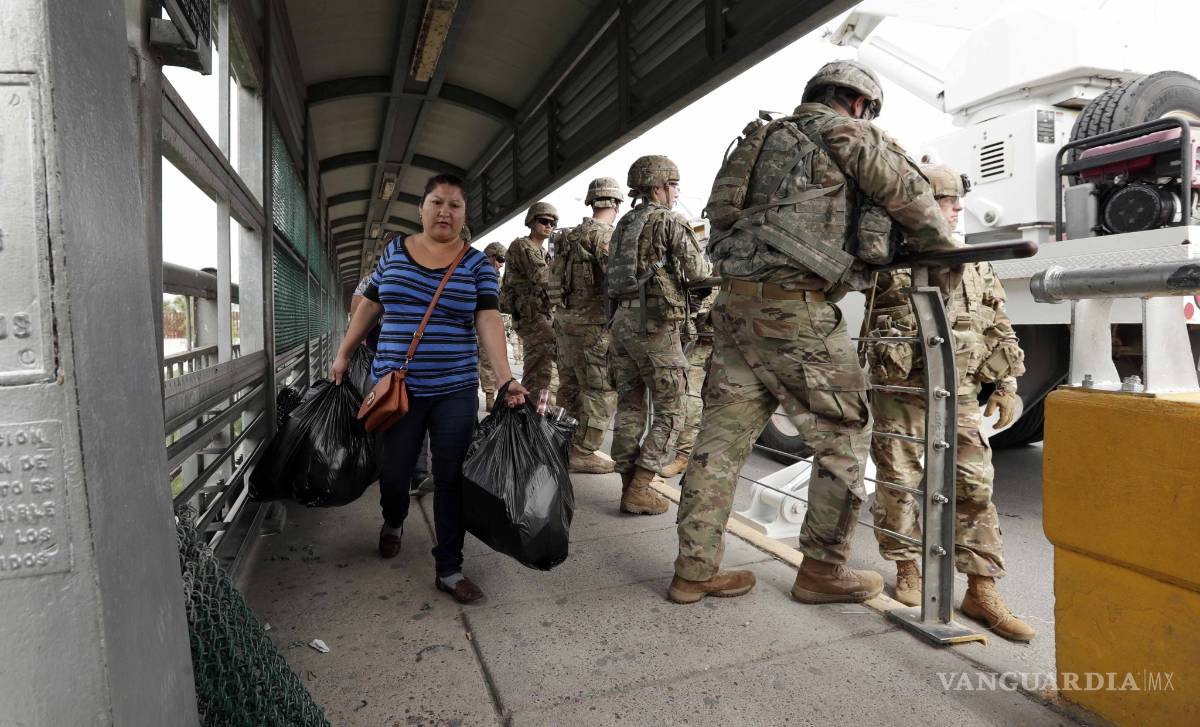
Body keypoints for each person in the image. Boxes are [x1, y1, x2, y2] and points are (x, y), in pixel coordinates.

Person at [670, 60, 959, 605]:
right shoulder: (844, 131)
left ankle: (694, 570)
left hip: (734, 307)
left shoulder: (757, 141)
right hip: (794, 309)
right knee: (845, 436)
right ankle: (822, 571)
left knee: (719, 445)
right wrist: (945, 258)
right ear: (857, 102)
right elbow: (908, 194)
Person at [330, 173, 528, 605]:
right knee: (396, 472)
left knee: (450, 478)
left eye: (455, 205)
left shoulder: (476, 265)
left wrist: (505, 376)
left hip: (454, 387)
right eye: (437, 202)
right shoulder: (395, 253)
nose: (445, 211)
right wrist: (344, 353)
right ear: (421, 209)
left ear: (464, 214)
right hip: (395, 386)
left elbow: (489, 321)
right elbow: (369, 306)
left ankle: (449, 568)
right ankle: (393, 519)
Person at [866, 162, 1032, 640]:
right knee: (900, 482)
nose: (957, 208)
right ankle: (908, 568)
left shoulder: (977, 259)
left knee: (975, 486)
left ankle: (980, 590)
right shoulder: (890, 259)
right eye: (945, 199)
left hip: (959, 392)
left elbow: (997, 321)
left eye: (959, 200)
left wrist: (1007, 384)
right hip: (904, 391)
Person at [605, 156, 712, 515]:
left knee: (630, 406)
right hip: (654, 326)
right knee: (673, 408)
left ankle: (627, 486)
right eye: (674, 184)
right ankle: (639, 487)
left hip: (621, 322)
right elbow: (697, 273)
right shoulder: (669, 220)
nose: (677, 192)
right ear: (658, 187)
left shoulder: (623, 225)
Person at [551, 177, 623, 474]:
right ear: (616, 203)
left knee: (568, 387)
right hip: (594, 326)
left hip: (565, 323)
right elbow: (617, 279)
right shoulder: (604, 235)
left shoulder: (567, 236)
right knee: (601, 390)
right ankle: (582, 451)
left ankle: (560, 442)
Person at [500, 201, 558, 398]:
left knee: (544, 371)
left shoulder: (542, 251)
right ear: (531, 222)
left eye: (553, 222)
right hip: (531, 317)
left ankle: (536, 415)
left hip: (540, 315)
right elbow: (543, 277)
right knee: (537, 374)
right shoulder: (523, 246)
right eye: (544, 221)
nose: (549, 225)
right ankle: (529, 418)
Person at [665, 283, 718, 477]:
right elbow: (690, 331)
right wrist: (694, 308)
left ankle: (707, 462)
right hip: (704, 349)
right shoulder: (708, 278)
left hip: (732, 353)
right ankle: (683, 456)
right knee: (690, 400)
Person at [478, 241, 508, 409]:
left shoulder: (497, 277)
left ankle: (490, 399)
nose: (501, 265)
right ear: (489, 256)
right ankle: (489, 399)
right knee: (485, 361)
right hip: (476, 327)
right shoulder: (477, 271)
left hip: (484, 326)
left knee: (487, 361)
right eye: (500, 259)